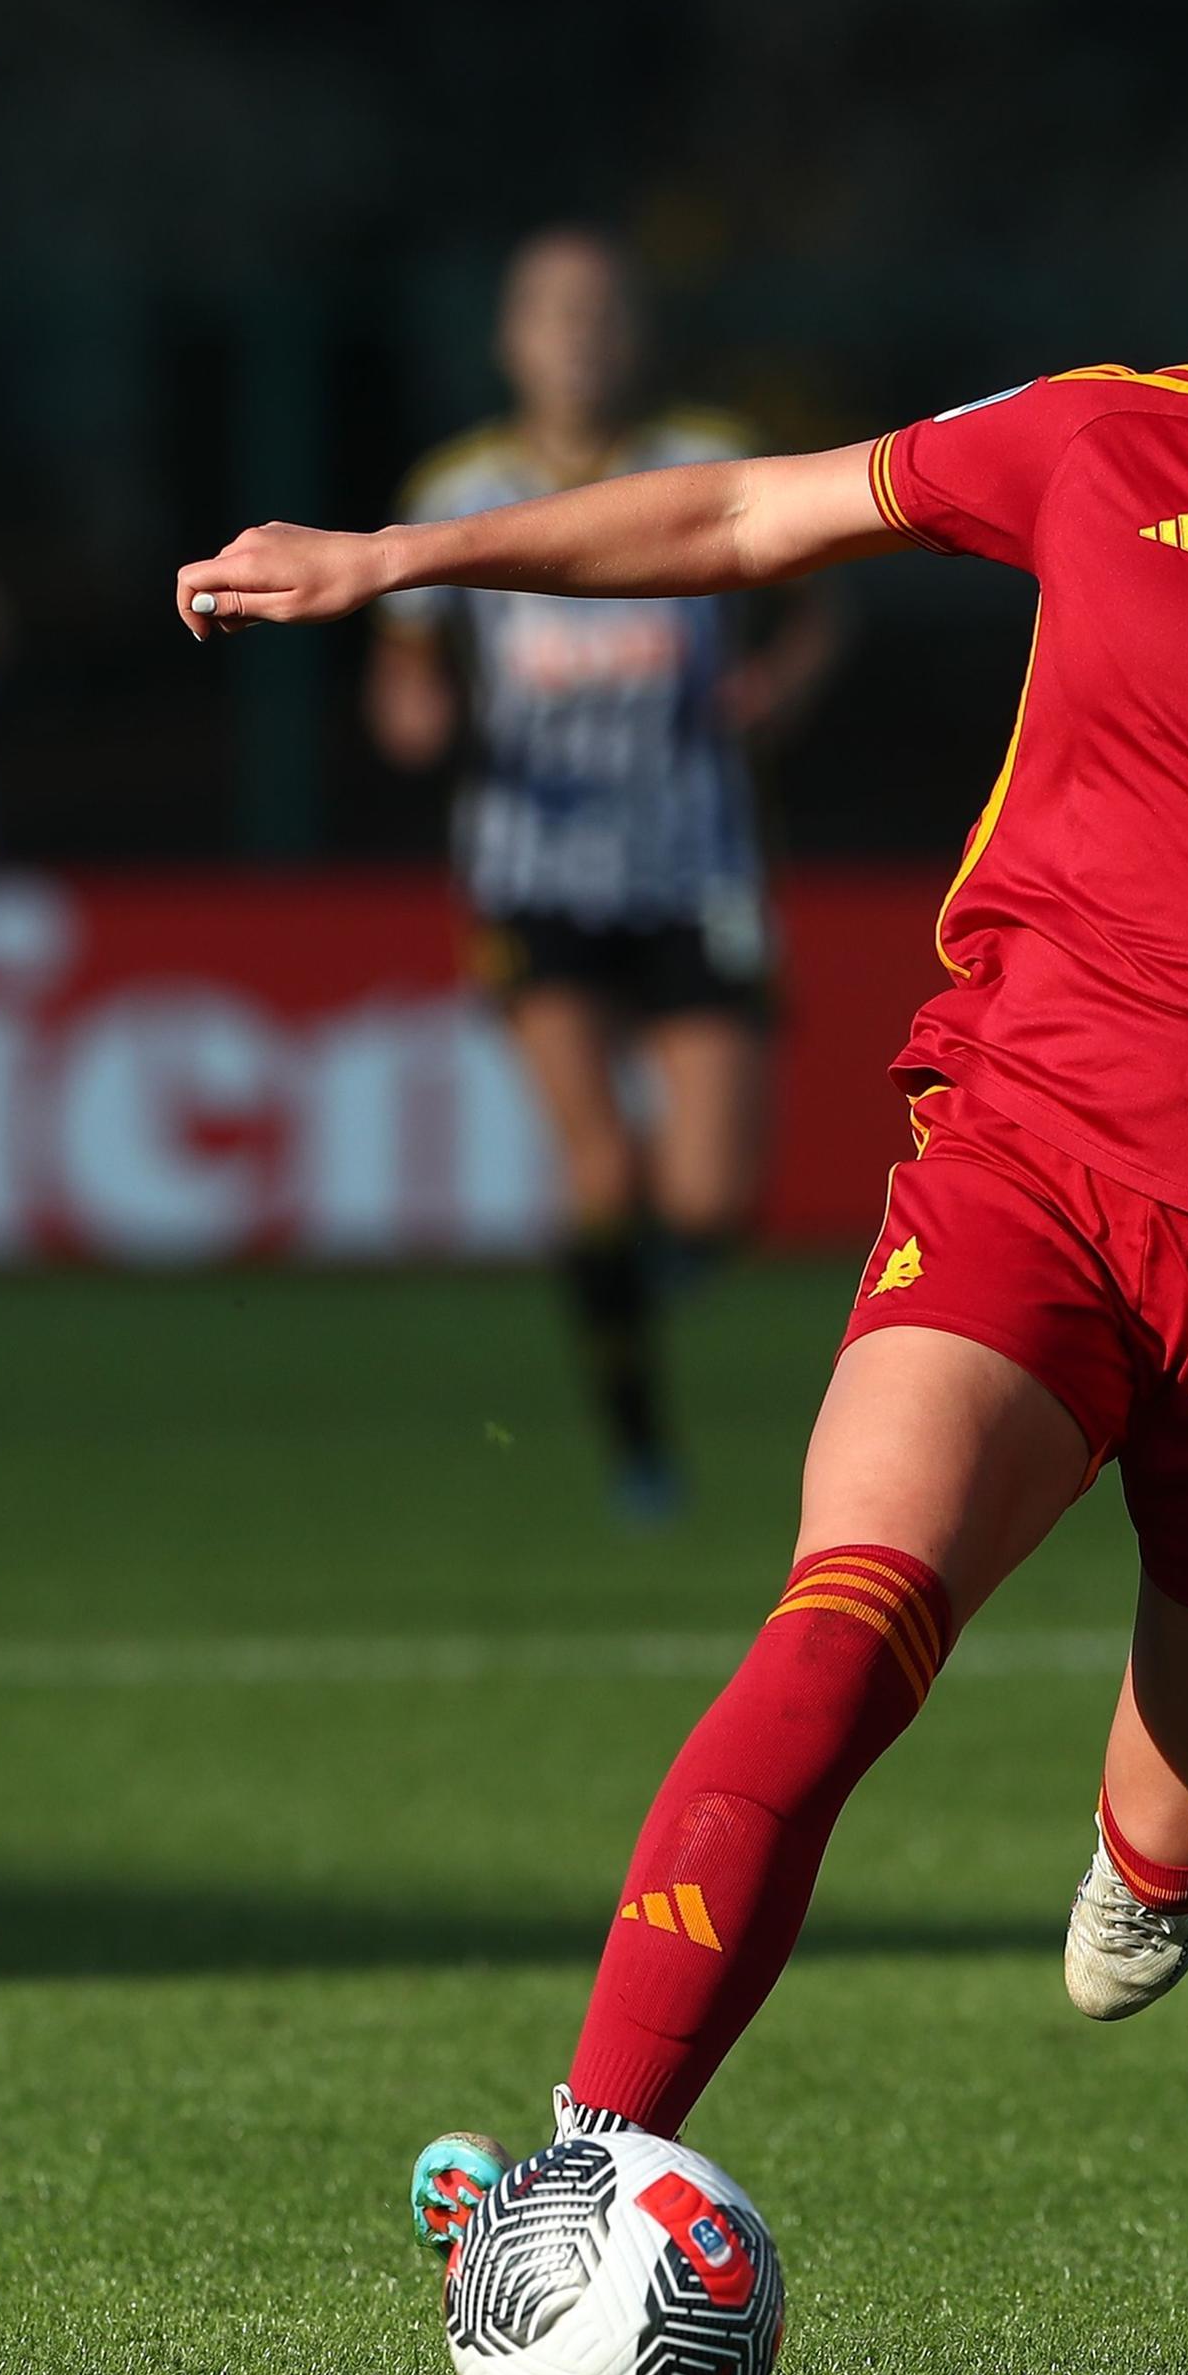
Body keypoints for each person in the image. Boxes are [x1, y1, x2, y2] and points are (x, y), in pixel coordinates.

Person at [174, 31, 1188, 2245]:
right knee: (842, 1622)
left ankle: (1179, 1846)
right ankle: (584, 2161)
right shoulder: (1109, 439)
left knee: (1181, 1820)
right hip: (1037, 1143)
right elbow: (747, 512)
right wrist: (402, 557)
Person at [370, 228, 842, 1519]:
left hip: (698, 862)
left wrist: (780, 683)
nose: (576, 336)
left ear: (635, 334)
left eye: (599, 311)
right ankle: (638, 1443)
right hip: (535, 873)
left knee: (711, 1194)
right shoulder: (457, 484)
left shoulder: (709, 455)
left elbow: (822, 598)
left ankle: (629, 1288)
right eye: (552, 312)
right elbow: (404, 667)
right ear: (509, 340)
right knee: (601, 1168)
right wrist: (413, 712)